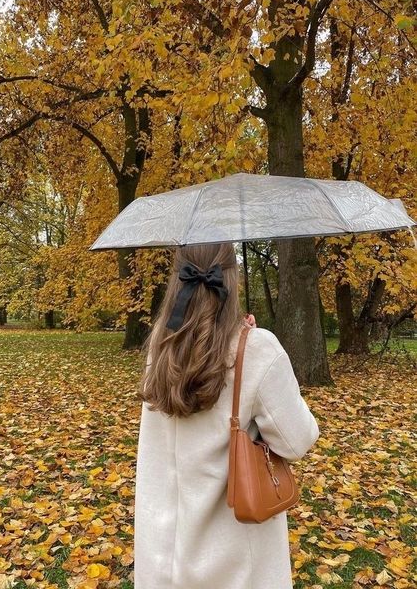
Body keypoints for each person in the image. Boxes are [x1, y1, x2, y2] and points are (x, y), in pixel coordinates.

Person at [134, 242, 320, 589]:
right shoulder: (257, 349)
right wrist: (253, 343)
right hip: (236, 564)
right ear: (233, 280)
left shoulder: (161, 345)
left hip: (162, 556)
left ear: (177, 279)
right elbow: (298, 440)